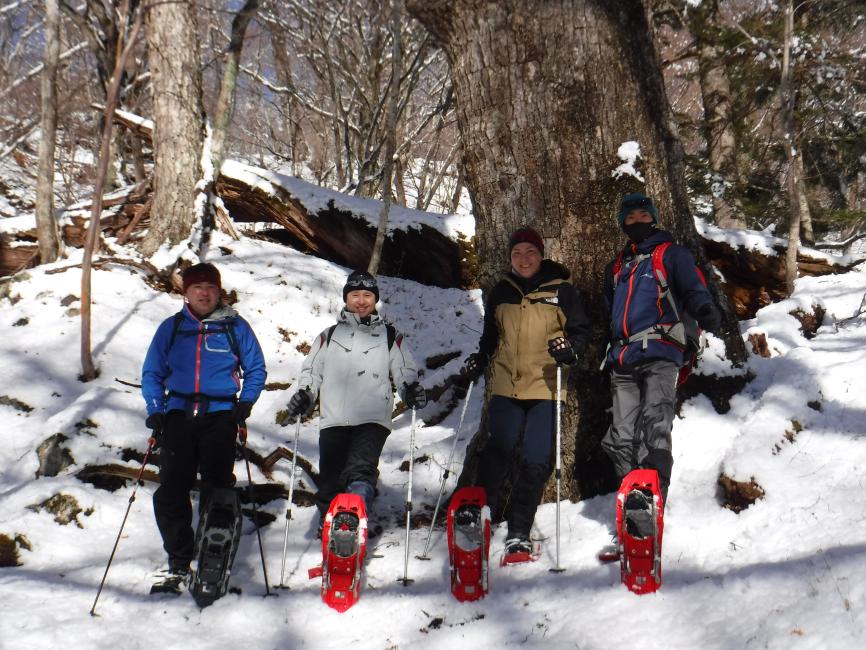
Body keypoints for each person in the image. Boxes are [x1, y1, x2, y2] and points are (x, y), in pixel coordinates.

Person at [459, 227, 591, 557]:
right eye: (517, 253)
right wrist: (479, 359)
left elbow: (580, 332)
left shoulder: (561, 290)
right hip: (506, 386)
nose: (524, 258)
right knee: (495, 453)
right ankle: (481, 515)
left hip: (546, 386)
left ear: (541, 254)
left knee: (536, 460)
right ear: (510, 257)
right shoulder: (501, 292)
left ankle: (519, 530)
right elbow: (490, 337)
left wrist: (570, 351)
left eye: (530, 252)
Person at [601, 192, 721, 527]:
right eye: (630, 217)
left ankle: (651, 509)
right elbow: (608, 311)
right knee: (621, 437)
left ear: (653, 218)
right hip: (622, 358)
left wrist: (705, 310)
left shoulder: (672, 254)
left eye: (642, 215)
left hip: (661, 351)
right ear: (622, 223)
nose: (637, 221)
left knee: (654, 427)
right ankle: (633, 511)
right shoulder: (616, 267)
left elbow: (693, 288)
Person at [141, 262, 267, 584]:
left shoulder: (235, 327)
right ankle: (180, 560)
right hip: (178, 415)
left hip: (221, 414)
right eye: (197, 287)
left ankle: (214, 556)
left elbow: (256, 369)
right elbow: (152, 372)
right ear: (186, 293)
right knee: (171, 491)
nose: (204, 293)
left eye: (210, 287)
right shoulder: (171, 328)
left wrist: (245, 403)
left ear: (218, 292)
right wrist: (156, 409)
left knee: (218, 490)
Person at [284, 270, 426, 535]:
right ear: (346, 298)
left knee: (360, 469)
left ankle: (352, 524)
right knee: (330, 482)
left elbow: (404, 369)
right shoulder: (329, 336)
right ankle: (331, 530)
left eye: (367, 295)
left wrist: (410, 389)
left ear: (375, 299)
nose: (361, 301)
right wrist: (305, 394)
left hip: (372, 417)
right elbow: (311, 371)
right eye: (355, 295)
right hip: (334, 418)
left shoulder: (388, 336)